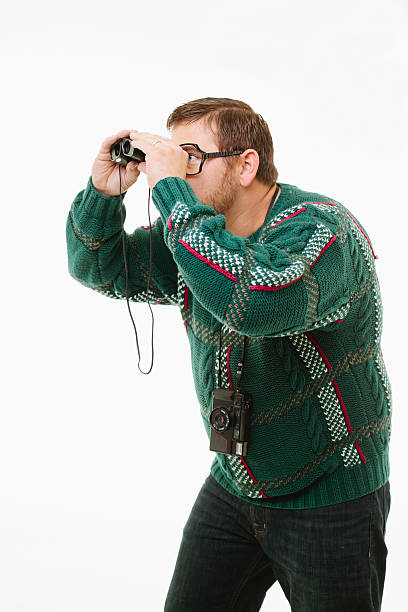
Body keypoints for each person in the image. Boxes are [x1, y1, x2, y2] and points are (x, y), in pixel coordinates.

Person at [66, 97, 392, 611]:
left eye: (190, 156)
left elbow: (254, 301)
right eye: (170, 155)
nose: (173, 170)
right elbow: (99, 266)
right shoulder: (195, 236)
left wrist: (172, 193)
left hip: (330, 491)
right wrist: (102, 196)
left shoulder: (324, 232)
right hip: (235, 482)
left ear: (246, 165)